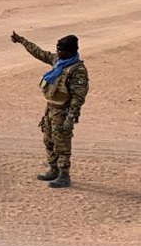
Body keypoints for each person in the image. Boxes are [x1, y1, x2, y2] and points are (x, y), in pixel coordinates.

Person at [10, 32, 89, 188]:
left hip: (63, 111)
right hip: (50, 108)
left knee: (62, 143)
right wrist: (21, 41)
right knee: (48, 140)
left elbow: (78, 97)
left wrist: (70, 117)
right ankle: (53, 169)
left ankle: (64, 175)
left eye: (62, 50)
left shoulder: (77, 70)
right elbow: (38, 52)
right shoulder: (58, 62)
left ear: (71, 51)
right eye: (58, 50)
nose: (59, 53)